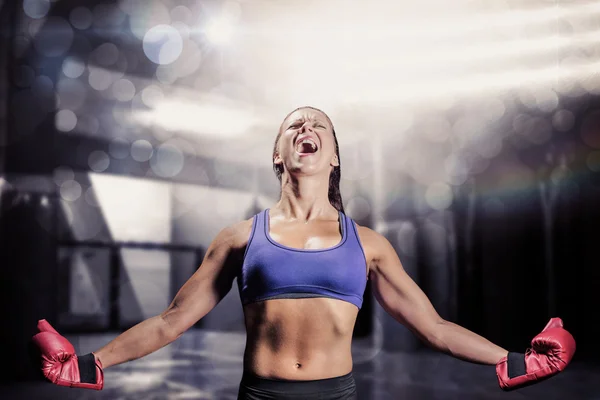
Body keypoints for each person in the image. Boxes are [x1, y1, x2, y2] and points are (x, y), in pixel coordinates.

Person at [32, 106, 576, 399]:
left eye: (319, 126)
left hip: (335, 399)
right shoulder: (240, 236)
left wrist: (516, 359)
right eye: (296, 124)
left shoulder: (369, 245)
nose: (307, 128)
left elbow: (434, 328)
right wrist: (86, 363)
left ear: (334, 155)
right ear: (279, 152)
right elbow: (171, 322)